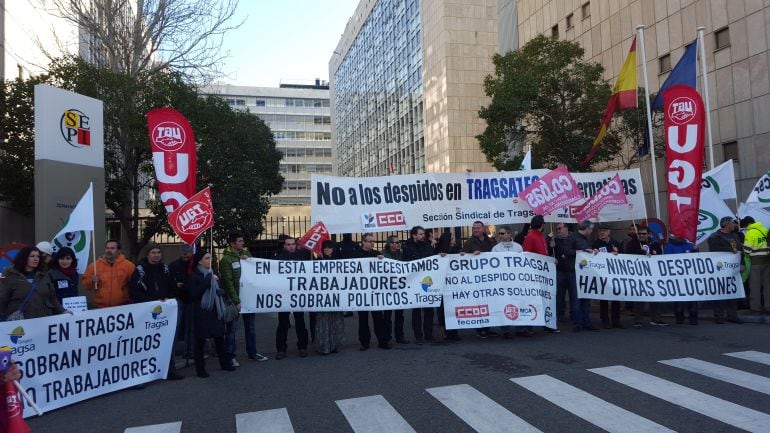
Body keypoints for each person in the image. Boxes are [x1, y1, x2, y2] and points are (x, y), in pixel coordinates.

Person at [128, 243, 184, 380]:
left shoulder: (165, 269)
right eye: (153, 252)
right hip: (146, 312)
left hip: (164, 311)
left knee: (167, 340)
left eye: (158, 252)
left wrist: (168, 298)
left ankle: (170, 369)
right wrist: (150, 301)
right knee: (146, 343)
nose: (156, 255)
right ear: (148, 254)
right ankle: (142, 374)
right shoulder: (139, 270)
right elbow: (134, 291)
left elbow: (172, 287)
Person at [220, 232, 268, 367]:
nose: (242, 243)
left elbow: (253, 272)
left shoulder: (246, 254)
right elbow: (228, 282)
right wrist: (236, 301)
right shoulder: (226, 260)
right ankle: (230, 356)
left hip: (248, 298)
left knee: (251, 327)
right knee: (232, 329)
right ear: (232, 244)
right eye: (240, 241)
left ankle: (252, 353)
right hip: (235, 300)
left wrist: (249, 259)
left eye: (242, 241)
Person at [184, 249, 234, 378]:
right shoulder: (194, 275)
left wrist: (221, 291)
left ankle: (224, 363)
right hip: (201, 311)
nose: (209, 261)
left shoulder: (213, 273)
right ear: (200, 261)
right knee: (200, 341)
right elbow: (193, 294)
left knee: (219, 338)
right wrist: (207, 281)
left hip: (215, 310)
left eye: (210, 258)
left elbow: (219, 287)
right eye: (207, 258)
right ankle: (200, 369)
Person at [0, 246, 65, 319]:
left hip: (43, 319)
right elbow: (3, 299)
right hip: (21, 323)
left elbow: (53, 297)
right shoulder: (12, 277)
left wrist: (63, 311)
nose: (36, 259)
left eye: (38, 256)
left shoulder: (44, 275)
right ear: (24, 258)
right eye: (32, 256)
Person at [275, 237, 309, 359]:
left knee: (300, 322)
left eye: (293, 244)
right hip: (284, 295)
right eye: (288, 244)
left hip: (298, 294)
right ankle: (281, 349)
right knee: (283, 323)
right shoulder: (277, 258)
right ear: (284, 246)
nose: (291, 246)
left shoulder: (302, 257)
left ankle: (302, 347)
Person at [626, 225, 667, 326]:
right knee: (640, 298)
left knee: (655, 297)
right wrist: (639, 253)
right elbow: (627, 256)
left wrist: (654, 254)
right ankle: (638, 320)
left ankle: (655, 318)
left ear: (649, 234)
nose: (641, 235)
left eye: (643, 234)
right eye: (639, 234)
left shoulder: (655, 244)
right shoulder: (632, 243)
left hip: (653, 274)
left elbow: (660, 257)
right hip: (639, 274)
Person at [522, 215, 556, 336]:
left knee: (544, 299)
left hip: (543, 272)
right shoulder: (532, 236)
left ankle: (546, 323)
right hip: (536, 273)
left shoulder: (538, 236)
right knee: (533, 299)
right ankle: (528, 326)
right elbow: (527, 255)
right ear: (542, 225)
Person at [404, 225, 439, 343]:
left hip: (427, 280)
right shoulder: (407, 248)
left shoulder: (428, 246)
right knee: (416, 311)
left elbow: (434, 261)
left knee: (429, 309)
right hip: (414, 282)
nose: (423, 236)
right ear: (414, 235)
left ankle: (429, 334)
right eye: (420, 234)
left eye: (423, 234)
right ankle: (418, 335)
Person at [355, 233, 389, 350]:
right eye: (370, 241)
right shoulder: (356, 255)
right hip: (362, 291)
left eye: (373, 241)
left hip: (375, 292)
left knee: (378, 317)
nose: (372, 243)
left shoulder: (376, 254)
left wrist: (382, 260)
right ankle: (364, 342)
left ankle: (383, 341)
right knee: (363, 319)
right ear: (363, 242)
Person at [462, 221, 496, 338]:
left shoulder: (490, 241)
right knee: (479, 304)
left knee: (489, 303)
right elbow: (462, 259)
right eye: (474, 228)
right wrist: (470, 255)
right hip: (476, 279)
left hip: (489, 277)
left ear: (483, 229)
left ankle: (488, 327)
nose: (475, 230)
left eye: (477, 228)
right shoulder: (469, 243)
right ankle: (480, 328)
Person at [564, 220, 599, 332]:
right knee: (576, 298)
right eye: (591, 229)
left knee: (586, 297)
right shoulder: (571, 237)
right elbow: (566, 251)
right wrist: (581, 251)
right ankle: (577, 323)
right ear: (587, 228)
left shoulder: (588, 239)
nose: (592, 231)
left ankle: (586, 321)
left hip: (585, 272)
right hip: (573, 271)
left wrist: (594, 251)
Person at [708, 217, 744, 324]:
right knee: (720, 291)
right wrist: (731, 251)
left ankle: (732, 315)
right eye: (733, 223)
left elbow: (740, 251)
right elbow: (714, 251)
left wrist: (742, 263)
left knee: (733, 290)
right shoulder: (715, 237)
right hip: (721, 269)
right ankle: (719, 316)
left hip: (733, 268)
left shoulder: (735, 236)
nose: (735, 225)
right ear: (727, 224)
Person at [82, 239, 136, 308]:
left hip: (122, 307)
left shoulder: (129, 266)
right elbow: (85, 286)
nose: (109, 250)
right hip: (99, 307)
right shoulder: (94, 266)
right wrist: (91, 281)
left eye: (112, 248)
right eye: (107, 248)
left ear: (119, 251)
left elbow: (135, 285)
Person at [314, 240, 345, 354]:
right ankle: (324, 346)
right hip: (323, 297)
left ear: (333, 249)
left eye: (329, 247)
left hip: (336, 296)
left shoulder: (339, 261)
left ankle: (335, 344)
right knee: (323, 321)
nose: (327, 249)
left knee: (335, 320)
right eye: (325, 247)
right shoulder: (317, 261)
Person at [592, 224, 623, 329]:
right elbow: (592, 258)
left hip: (614, 274)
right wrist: (594, 253)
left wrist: (617, 253)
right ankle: (605, 320)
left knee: (616, 297)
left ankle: (616, 320)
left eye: (604, 230)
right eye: (600, 230)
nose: (602, 232)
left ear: (609, 232)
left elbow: (624, 256)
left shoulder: (615, 243)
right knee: (604, 298)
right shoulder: (596, 244)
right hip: (602, 274)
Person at [664, 235, 699, 325]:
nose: (679, 237)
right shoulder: (669, 246)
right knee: (679, 300)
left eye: (681, 235)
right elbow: (667, 260)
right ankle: (679, 318)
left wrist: (695, 250)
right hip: (677, 278)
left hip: (690, 277)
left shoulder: (690, 245)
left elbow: (698, 259)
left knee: (692, 299)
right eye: (677, 235)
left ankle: (693, 318)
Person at [382, 236, 409, 344]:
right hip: (387, 289)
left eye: (399, 242)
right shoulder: (383, 255)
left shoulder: (401, 254)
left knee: (399, 315)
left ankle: (400, 336)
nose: (399, 244)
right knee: (387, 316)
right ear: (390, 244)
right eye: (396, 242)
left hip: (399, 288)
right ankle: (387, 337)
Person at [740, 216, 770, 313]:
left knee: (755, 286)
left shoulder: (750, 233)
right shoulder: (765, 229)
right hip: (767, 261)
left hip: (755, 263)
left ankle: (755, 307)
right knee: (767, 286)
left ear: (748, 224)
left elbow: (747, 251)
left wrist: (743, 246)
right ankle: (768, 306)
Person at [436, 232, 461, 341]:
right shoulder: (437, 251)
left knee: (453, 307)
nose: (454, 241)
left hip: (453, 284)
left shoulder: (456, 250)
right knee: (445, 308)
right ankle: (447, 332)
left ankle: (453, 332)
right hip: (442, 283)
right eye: (452, 239)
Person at [550, 223, 572, 323]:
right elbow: (549, 253)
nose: (558, 230)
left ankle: (573, 314)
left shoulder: (572, 239)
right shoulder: (555, 240)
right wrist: (551, 246)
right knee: (560, 295)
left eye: (560, 228)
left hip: (572, 271)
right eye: (557, 228)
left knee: (573, 294)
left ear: (566, 228)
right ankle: (560, 314)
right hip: (559, 270)